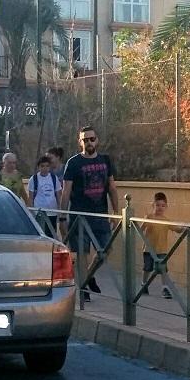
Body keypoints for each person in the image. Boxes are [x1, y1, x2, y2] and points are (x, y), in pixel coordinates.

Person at [60, 125, 117, 306]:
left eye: (92, 139)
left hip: (100, 215)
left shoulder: (105, 160)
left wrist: (116, 212)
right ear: (80, 142)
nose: (89, 142)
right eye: (85, 140)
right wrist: (62, 216)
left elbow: (112, 187)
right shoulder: (73, 163)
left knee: (105, 250)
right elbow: (66, 191)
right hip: (79, 216)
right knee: (82, 254)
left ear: (97, 140)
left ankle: (89, 277)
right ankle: (84, 292)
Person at [141, 191, 174, 300]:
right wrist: (142, 223)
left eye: (163, 206)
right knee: (147, 268)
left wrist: (185, 229)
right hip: (148, 249)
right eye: (158, 205)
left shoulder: (166, 220)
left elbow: (176, 228)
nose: (160, 208)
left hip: (161, 250)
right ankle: (144, 284)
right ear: (153, 205)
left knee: (163, 269)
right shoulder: (149, 217)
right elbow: (141, 228)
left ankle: (165, 288)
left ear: (166, 207)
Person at [23, 152, 63, 236]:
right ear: (38, 167)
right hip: (39, 212)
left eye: (47, 166)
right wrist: (31, 212)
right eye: (42, 166)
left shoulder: (54, 178)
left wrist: (60, 210)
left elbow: (59, 195)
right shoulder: (33, 179)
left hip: (52, 212)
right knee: (40, 234)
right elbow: (31, 197)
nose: (45, 168)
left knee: (52, 234)